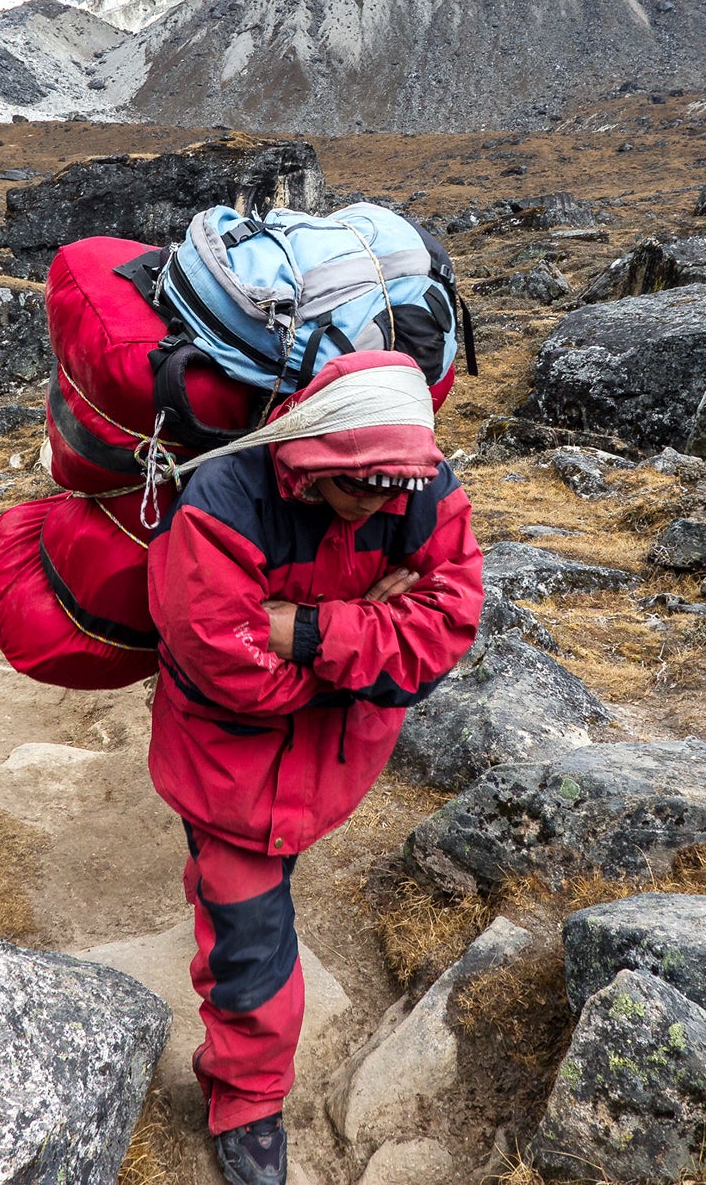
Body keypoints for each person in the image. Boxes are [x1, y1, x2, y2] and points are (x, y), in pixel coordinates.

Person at [145, 351, 483, 1185]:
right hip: (222, 769)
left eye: (392, 486)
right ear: (310, 454)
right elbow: (222, 667)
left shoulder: (422, 494)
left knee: (260, 899)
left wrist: (309, 631)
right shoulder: (223, 502)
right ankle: (246, 1103)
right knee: (252, 939)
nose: (376, 501)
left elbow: (444, 632)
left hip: (326, 768)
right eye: (357, 482)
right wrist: (370, 631)